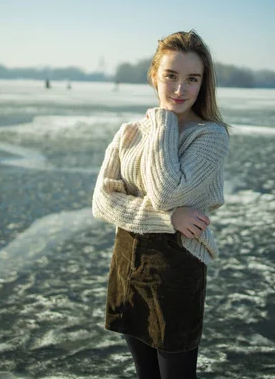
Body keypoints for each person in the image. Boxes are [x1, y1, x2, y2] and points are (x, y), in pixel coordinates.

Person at [92, 30, 230, 379]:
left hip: (177, 268)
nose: (180, 89)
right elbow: (102, 202)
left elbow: (167, 191)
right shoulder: (129, 132)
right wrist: (169, 218)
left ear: (203, 84)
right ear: (154, 75)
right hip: (127, 260)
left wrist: (165, 122)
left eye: (192, 79)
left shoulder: (210, 136)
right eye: (171, 76)